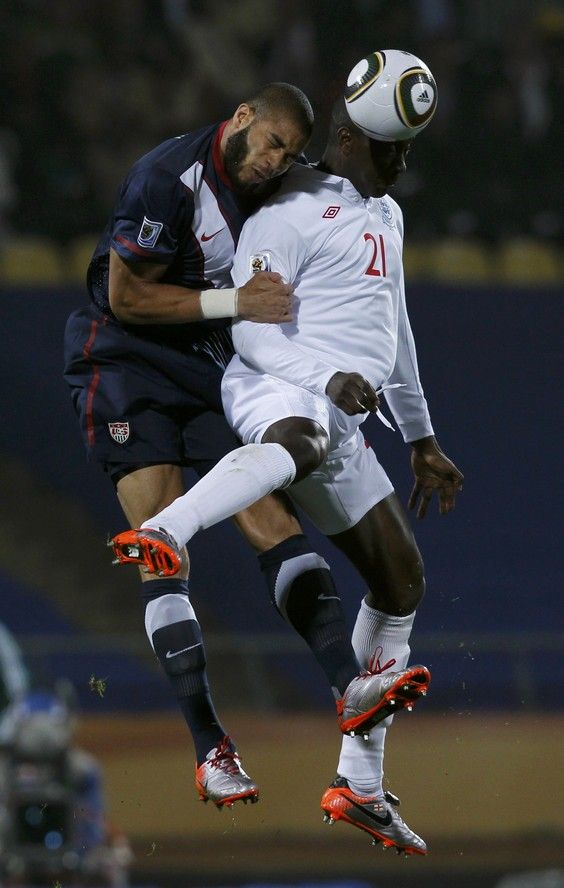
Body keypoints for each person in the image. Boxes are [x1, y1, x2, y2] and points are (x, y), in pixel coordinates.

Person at [110, 51, 463, 855]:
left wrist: (422, 437)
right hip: (278, 388)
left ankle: (361, 786)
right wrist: (324, 378)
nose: (401, 165)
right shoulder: (285, 212)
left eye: (407, 152)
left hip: (344, 414)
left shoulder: (388, 215)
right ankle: (170, 529)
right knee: (295, 440)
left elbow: (394, 331)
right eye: (390, 151)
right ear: (348, 138)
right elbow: (252, 331)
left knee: (401, 577)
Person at [63, 82, 411, 812]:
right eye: (271, 144)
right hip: (123, 360)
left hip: (211, 360)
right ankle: (209, 747)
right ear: (241, 119)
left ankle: (350, 685)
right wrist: (236, 303)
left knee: (271, 519)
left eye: (289, 153)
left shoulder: (282, 182)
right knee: (163, 547)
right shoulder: (167, 176)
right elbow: (125, 297)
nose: (274, 163)